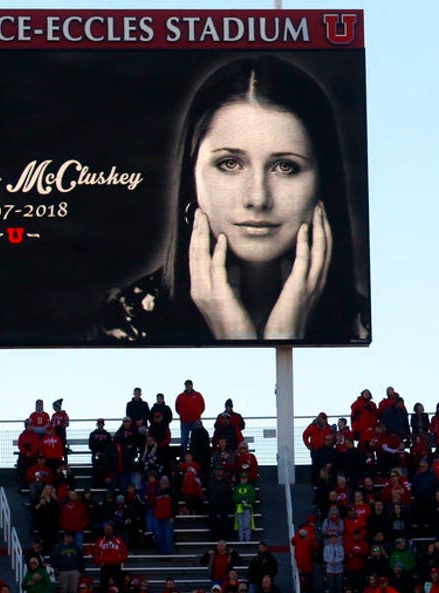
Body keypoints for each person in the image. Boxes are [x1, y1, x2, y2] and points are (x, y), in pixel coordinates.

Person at [101, 56, 368, 343]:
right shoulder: (126, 319)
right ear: (192, 176)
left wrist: (283, 337)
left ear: (323, 183)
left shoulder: (366, 325)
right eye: (229, 163)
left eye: (285, 167)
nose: (257, 198)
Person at [175, 380, 205, 450]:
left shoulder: (198, 395)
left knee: (196, 440)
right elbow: (177, 408)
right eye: (186, 385)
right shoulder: (180, 396)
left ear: (192, 385)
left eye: (189, 385)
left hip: (196, 421)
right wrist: (183, 415)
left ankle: (195, 455)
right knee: (184, 440)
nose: (187, 386)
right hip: (184, 422)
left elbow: (202, 407)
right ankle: (184, 455)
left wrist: (197, 415)